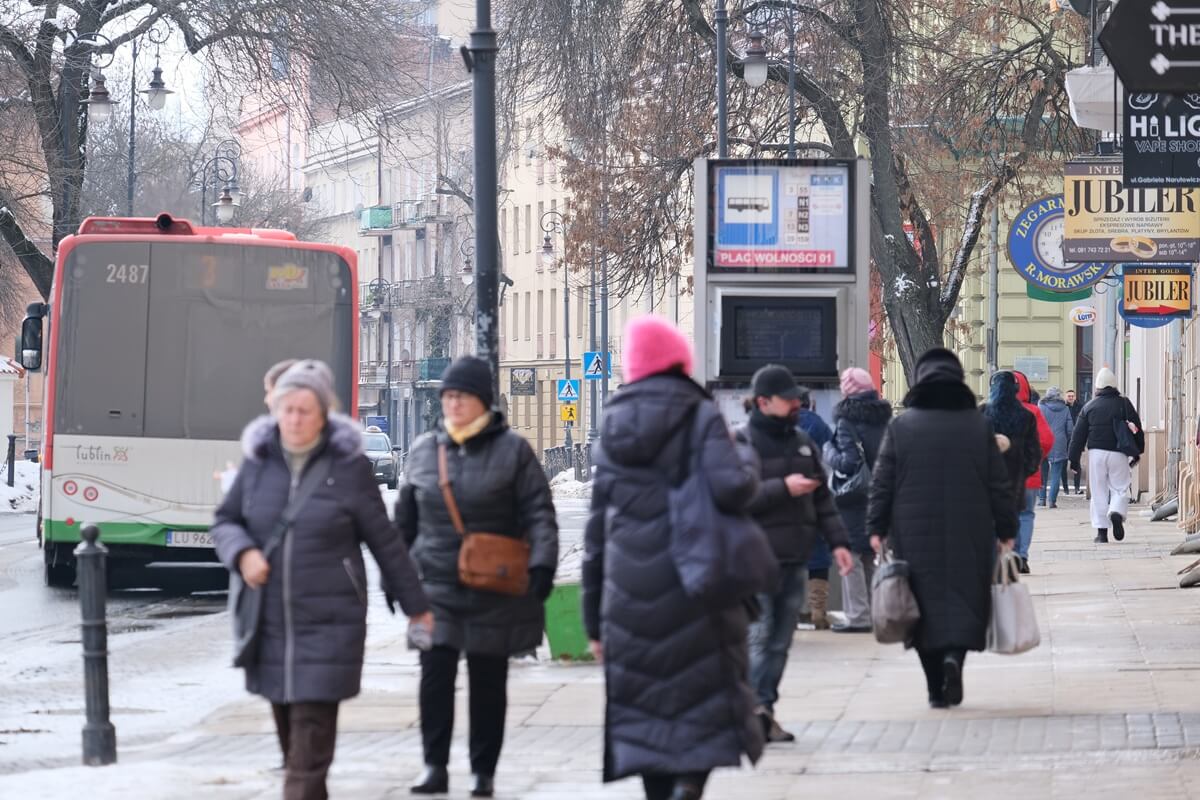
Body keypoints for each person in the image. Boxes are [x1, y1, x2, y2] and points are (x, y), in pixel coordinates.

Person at [212, 360, 432, 800]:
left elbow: (385, 542)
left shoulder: (349, 469)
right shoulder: (257, 463)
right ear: (275, 410)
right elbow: (225, 521)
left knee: (307, 751)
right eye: (286, 408)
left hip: (331, 622)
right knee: (296, 747)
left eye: (304, 410)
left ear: (323, 414)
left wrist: (417, 608)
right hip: (269, 623)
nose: (294, 418)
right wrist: (244, 552)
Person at [583, 315, 769, 800]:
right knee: (702, 699)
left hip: (628, 594)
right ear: (678, 360)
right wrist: (747, 455)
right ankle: (691, 782)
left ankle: (662, 792)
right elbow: (733, 487)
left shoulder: (613, 424)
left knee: (645, 710)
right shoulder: (699, 413)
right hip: (695, 583)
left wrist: (593, 622)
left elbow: (597, 531)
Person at [396, 356, 559, 798]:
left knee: (488, 682)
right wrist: (397, 578)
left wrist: (543, 565)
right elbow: (403, 525)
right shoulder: (424, 451)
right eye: (447, 396)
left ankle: (482, 771)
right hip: (436, 588)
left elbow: (540, 515)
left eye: (461, 397)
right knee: (434, 677)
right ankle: (434, 766)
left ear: (483, 401)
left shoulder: (514, 451)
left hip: (495, 586)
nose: (453, 404)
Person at [867, 349, 1018, 709]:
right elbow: (999, 483)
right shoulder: (976, 425)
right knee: (964, 601)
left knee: (921, 606)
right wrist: (1006, 528)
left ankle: (936, 688)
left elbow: (882, 482)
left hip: (913, 532)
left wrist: (875, 527)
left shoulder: (901, 427)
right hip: (971, 529)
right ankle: (954, 660)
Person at [735, 365, 853, 742]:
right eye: (788, 399)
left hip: (793, 558)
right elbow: (733, 497)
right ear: (764, 402)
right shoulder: (740, 444)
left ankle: (762, 709)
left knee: (781, 641)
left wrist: (838, 543)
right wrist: (782, 487)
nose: (796, 404)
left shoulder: (802, 439)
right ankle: (753, 710)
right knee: (761, 635)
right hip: (753, 558)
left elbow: (822, 499)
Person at [824, 367, 893, 634]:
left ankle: (858, 615)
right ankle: (875, 612)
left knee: (851, 555)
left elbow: (849, 462)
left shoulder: (846, 421)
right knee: (869, 555)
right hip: (879, 494)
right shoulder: (885, 419)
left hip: (852, 498)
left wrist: (829, 451)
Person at [1068, 368, 1145, 543]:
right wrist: (1138, 450)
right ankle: (1116, 512)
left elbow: (1077, 436)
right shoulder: (1124, 403)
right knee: (1120, 487)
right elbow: (1137, 428)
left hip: (1096, 453)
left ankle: (1101, 533)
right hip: (1118, 452)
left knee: (1098, 492)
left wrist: (1073, 460)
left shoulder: (1089, 407)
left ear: (1097, 387)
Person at [981, 372, 1044, 575]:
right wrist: (1025, 471)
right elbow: (1034, 450)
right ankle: (1017, 555)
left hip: (988, 478)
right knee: (1018, 516)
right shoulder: (1026, 416)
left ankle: (992, 559)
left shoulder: (983, 413)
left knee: (989, 518)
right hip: (1016, 478)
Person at [796, 388, 835, 629]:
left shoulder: (778, 424)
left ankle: (789, 612)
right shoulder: (820, 426)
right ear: (810, 403)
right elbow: (830, 461)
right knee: (819, 552)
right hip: (816, 496)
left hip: (786, 496)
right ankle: (817, 611)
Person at [1013, 372, 1054, 570]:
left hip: (1001, 477)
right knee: (1026, 514)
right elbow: (1046, 440)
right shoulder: (1033, 412)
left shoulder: (992, 410)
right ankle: (1022, 555)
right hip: (1029, 475)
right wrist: (1036, 458)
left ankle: (1009, 553)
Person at [1038, 387, 1075, 509]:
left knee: (1042, 472)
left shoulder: (1041, 407)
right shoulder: (1065, 409)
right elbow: (1070, 429)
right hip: (1059, 442)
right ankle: (1052, 501)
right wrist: (1066, 439)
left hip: (1042, 441)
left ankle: (1042, 499)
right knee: (1056, 473)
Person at [1065, 389, 1084, 494]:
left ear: (1075, 397)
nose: (1071, 398)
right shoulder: (1064, 407)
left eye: (1072, 396)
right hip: (1066, 438)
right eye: (1069, 396)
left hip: (1077, 438)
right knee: (1064, 464)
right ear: (1066, 397)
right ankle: (1066, 488)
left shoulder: (1080, 407)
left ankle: (1077, 487)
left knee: (1076, 463)